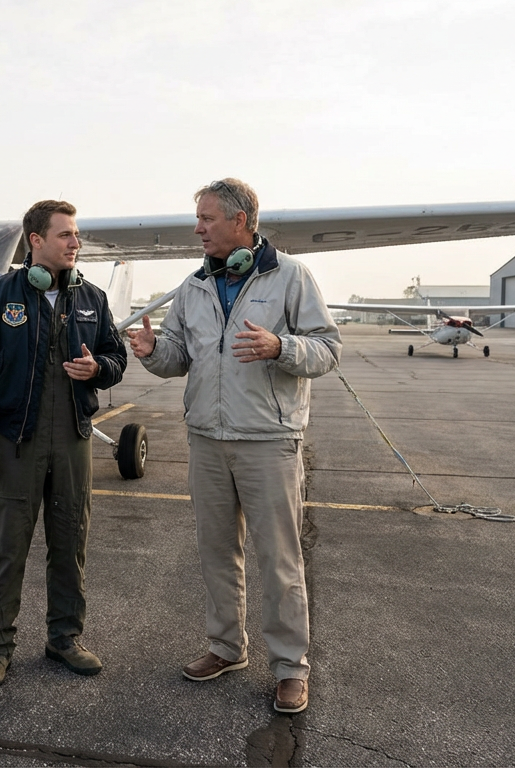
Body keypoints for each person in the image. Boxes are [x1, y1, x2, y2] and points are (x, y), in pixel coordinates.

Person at [127, 178, 341, 714]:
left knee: (280, 560)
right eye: (197, 218)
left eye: (207, 218)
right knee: (216, 553)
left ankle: (291, 668)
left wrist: (280, 346)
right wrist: (155, 350)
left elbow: (328, 349)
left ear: (241, 220)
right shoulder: (193, 284)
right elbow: (179, 356)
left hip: (269, 441)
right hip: (206, 439)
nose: (197, 228)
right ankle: (226, 647)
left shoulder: (290, 276)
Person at [0, 199, 128, 689]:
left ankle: (64, 639)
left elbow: (117, 358)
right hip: (15, 441)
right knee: (7, 549)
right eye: (65, 235)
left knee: (70, 544)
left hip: (73, 440)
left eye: (76, 235)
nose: (76, 243)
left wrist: (99, 369)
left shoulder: (92, 297)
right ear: (36, 241)